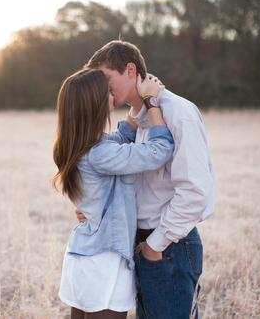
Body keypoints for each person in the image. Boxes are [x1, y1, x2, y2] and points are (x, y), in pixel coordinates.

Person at [77, 40, 216, 319]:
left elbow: (195, 192)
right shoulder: (138, 119)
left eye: (105, 78)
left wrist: (154, 246)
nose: (101, 89)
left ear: (131, 70)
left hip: (168, 248)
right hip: (136, 246)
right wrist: (97, 207)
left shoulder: (177, 112)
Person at [52, 68, 174, 319]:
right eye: (107, 91)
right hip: (104, 260)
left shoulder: (82, 144)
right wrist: (151, 102)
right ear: (94, 103)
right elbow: (159, 151)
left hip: (85, 255)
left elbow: (118, 138)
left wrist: (134, 111)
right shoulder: (100, 154)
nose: (113, 93)